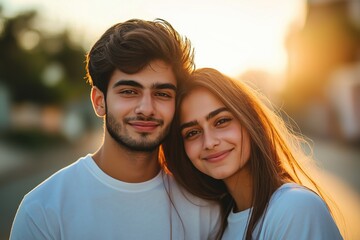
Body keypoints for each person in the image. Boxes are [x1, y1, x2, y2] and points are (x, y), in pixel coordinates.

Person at [10, 19, 220, 240]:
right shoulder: (42, 210)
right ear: (99, 101)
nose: (146, 109)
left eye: (162, 94)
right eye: (129, 91)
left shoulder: (204, 209)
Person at [163, 68, 344, 240]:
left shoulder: (295, 207)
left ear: (249, 121)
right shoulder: (218, 224)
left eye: (222, 121)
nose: (209, 142)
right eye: (192, 133)